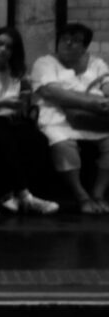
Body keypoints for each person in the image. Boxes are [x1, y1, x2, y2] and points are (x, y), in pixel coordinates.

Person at [0, 24, 59, 215]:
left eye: (9, 47)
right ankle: (22, 195)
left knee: (36, 139)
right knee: (1, 137)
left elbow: (19, 98)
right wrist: (4, 103)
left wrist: (20, 105)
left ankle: (21, 194)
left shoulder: (15, 70)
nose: (3, 50)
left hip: (6, 117)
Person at [30, 22, 109, 215]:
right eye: (64, 39)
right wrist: (92, 102)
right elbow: (52, 92)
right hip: (57, 114)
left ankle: (98, 194)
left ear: (85, 46)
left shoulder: (96, 63)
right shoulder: (45, 63)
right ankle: (81, 196)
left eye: (75, 40)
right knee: (63, 143)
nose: (68, 43)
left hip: (94, 117)